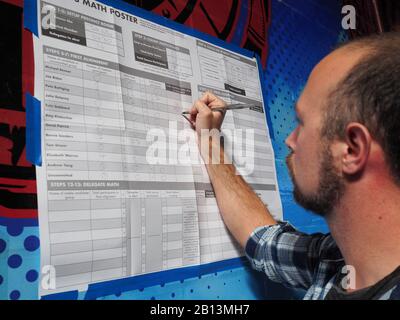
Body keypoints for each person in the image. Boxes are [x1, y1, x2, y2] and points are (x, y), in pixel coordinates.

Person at [186, 32, 400, 300]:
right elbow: (264, 242)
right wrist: (210, 141)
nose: (290, 140)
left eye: (302, 123)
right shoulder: (336, 262)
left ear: (352, 149)